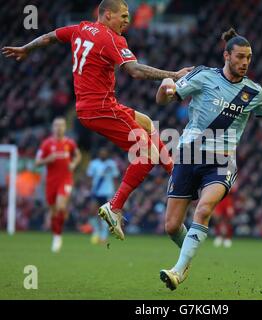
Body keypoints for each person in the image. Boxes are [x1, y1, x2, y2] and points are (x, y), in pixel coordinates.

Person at [2, 0, 192, 241]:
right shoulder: (111, 39)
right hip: (101, 108)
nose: (127, 20)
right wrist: (174, 74)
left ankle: (174, 173)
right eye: (123, 16)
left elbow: (50, 36)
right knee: (147, 154)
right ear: (107, 15)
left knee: (146, 122)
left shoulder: (80, 28)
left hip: (91, 107)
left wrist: (27, 48)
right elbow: (134, 71)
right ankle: (114, 206)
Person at [155, 28, 262, 290]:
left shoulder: (254, 92)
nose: (245, 62)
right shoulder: (204, 76)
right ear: (226, 55)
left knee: (204, 209)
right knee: (172, 226)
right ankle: (187, 257)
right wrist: (164, 87)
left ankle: (179, 268)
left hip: (221, 161)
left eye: (249, 58)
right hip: (188, 154)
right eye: (240, 56)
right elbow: (164, 99)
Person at [35, 117, 82, 252]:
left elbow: (78, 155)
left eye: (61, 125)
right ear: (52, 127)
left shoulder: (70, 143)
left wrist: (73, 164)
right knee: (53, 211)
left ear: (65, 127)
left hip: (65, 180)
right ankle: (56, 235)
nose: (59, 128)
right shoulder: (46, 144)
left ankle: (58, 236)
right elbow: (37, 162)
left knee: (61, 206)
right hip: (51, 182)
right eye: (56, 125)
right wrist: (47, 159)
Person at [87, 148, 119, 244]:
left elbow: (115, 178)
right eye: (101, 153)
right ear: (99, 154)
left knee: (106, 215)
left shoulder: (111, 164)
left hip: (108, 192)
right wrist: (89, 189)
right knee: (92, 212)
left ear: (107, 154)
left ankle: (103, 236)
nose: (103, 155)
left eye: (104, 153)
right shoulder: (94, 164)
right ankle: (96, 231)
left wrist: (117, 193)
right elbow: (89, 177)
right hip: (96, 192)